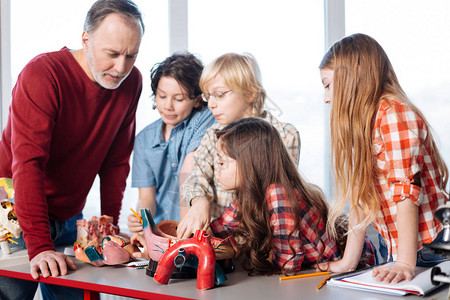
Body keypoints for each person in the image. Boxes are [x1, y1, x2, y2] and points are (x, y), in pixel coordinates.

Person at [0, 0, 144, 299]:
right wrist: (39, 247)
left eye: (131, 55)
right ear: (86, 40)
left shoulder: (132, 83)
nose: (121, 68)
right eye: (112, 54)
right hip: (13, 212)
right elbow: (28, 165)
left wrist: (108, 228)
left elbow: (116, 163)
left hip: (70, 215)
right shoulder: (43, 74)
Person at [318, 33, 449, 284]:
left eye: (327, 85)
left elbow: (406, 190)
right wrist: (348, 262)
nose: (326, 97)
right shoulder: (363, 125)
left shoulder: (394, 114)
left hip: (431, 249)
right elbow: (360, 199)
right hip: (396, 249)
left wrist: (404, 262)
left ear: (351, 80)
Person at [209, 117, 376, 275]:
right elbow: (221, 227)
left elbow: (288, 263)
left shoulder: (277, 194)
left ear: (249, 164)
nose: (216, 167)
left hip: (350, 267)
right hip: (317, 270)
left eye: (222, 162)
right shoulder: (250, 194)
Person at [176, 53, 301, 239]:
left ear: (250, 93)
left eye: (219, 95)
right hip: (222, 243)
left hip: (266, 244)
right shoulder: (213, 135)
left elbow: (276, 197)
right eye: (208, 96)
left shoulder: (285, 135)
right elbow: (197, 177)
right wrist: (199, 202)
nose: (211, 104)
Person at [127, 52, 216, 233]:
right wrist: (142, 222)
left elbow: (190, 174)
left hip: (196, 229)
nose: (168, 106)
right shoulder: (144, 140)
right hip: (162, 231)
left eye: (179, 99)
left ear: (198, 99)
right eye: (161, 96)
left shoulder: (205, 119)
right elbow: (147, 198)